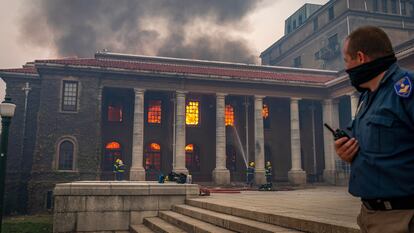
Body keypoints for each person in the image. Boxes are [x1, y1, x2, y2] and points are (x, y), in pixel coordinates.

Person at [334, 26, 414, 233]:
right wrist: (345, 150)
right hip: (370, 215)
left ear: (360, 57)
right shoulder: (367, 97)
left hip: (401, 217)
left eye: (346, 60)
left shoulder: (407, 88)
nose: (346, 68)